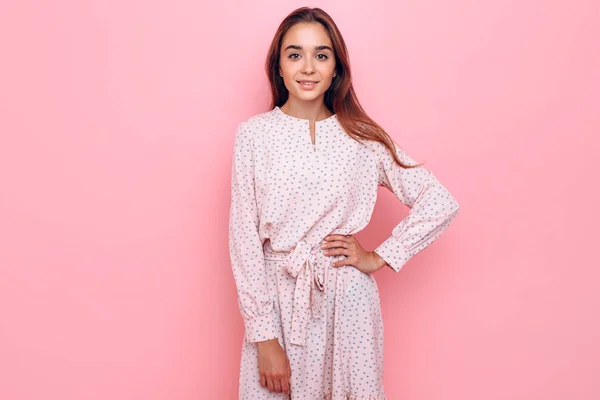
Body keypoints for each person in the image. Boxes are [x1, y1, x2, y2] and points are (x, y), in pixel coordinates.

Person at [228, 6, 460, 400]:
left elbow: (438, 201)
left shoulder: (363, 138)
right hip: (280, 300)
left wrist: (380, 256)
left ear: (336, 68)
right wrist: (263, 336)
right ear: (279, 66)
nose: (308, 67)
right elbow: (243, 240)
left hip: (348, 303)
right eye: (294, 54)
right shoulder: (254, 136)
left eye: (321, 55)